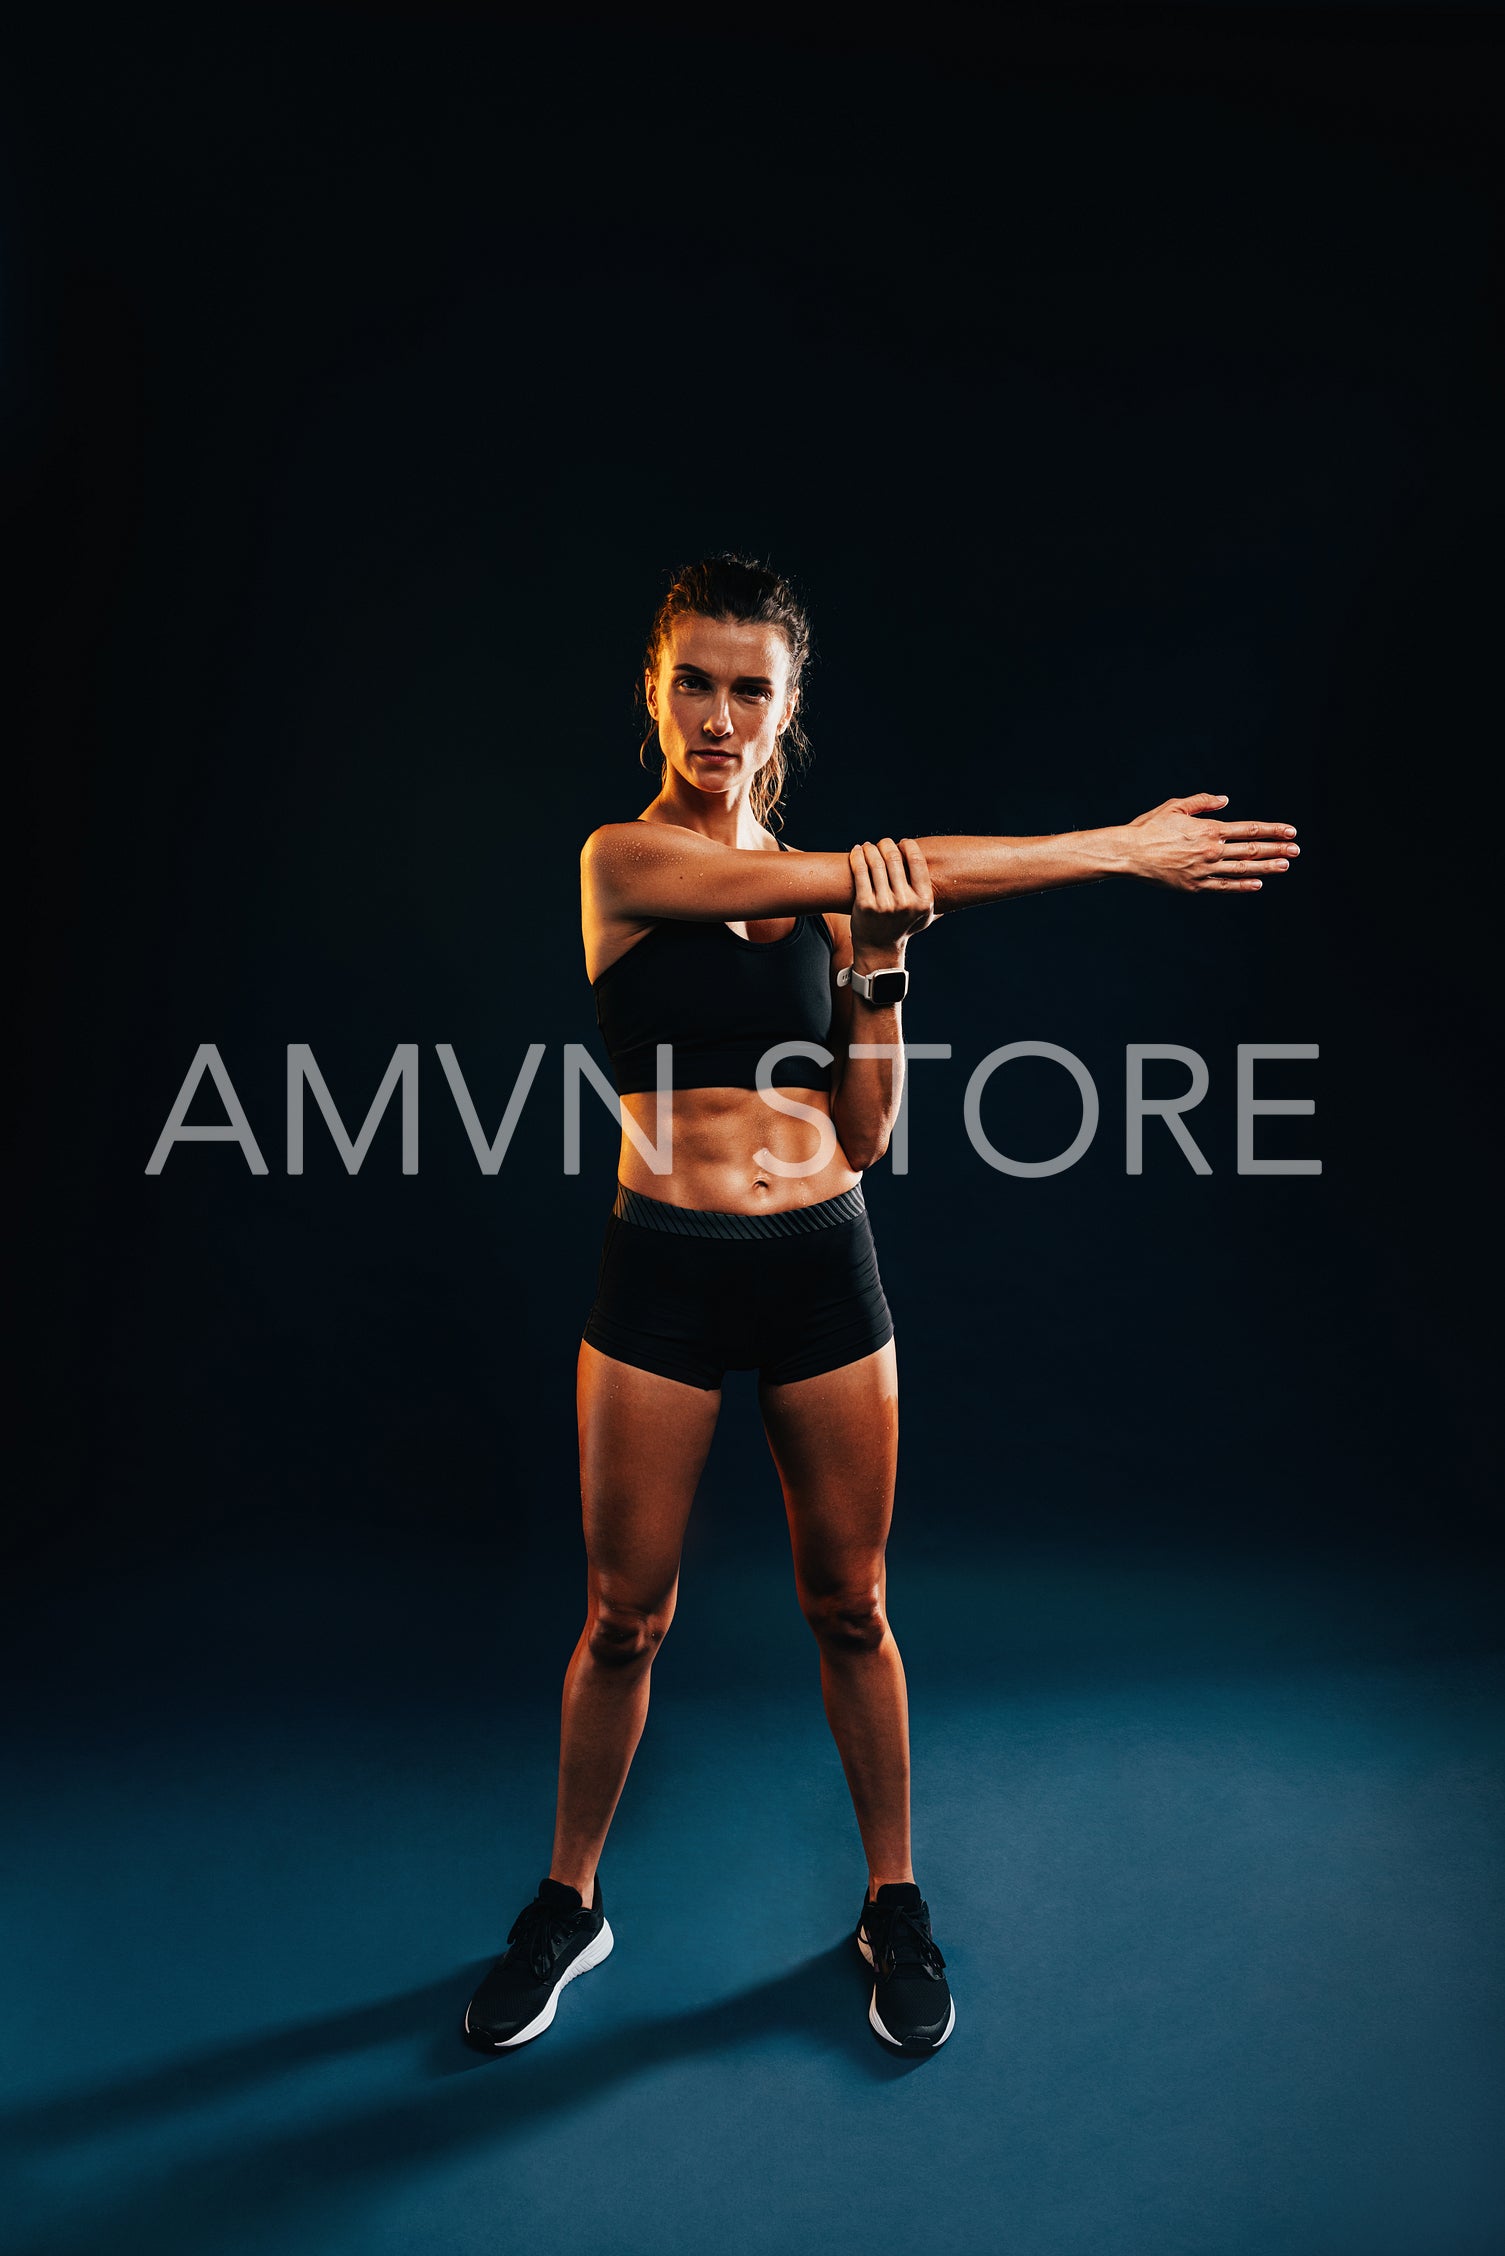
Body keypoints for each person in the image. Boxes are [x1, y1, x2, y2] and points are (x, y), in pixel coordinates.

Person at [462, 553, 1298, 2058]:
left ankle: (889, 1901)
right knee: (622, 1619)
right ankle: (568, 1904)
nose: (719, 716)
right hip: (658, 1264)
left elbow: (860, 1132)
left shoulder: (833, 896)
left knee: (852, 1606)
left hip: (819, 1264)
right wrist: (1114, 848)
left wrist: (885, 976)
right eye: (694, 683)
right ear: (654, 692)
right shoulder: (625, 864)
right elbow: (856, 870)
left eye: (748, 689)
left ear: (783, 711)